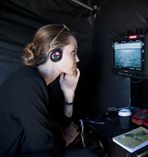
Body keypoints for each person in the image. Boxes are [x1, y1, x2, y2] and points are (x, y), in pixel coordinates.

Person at [0, 24, 97, 157]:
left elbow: (64, 123)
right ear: (55, 54)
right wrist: (63, 141)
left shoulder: (40, 81)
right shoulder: (30, 84)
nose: (78, 59)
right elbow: (42, 149)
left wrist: (69, 95)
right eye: (73, 52)